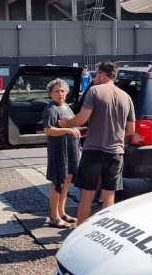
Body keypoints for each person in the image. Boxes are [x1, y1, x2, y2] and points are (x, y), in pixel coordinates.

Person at [60, 62, 135, 224]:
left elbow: (82, 119)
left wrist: (67, 123)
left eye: (96, 75)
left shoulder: (95, 91)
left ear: (103, 75)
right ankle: (102, 231)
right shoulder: (126, 97)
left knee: (87, 193)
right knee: (109, 194)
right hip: (116, 152)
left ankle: (80, 231)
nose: (94, 79)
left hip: (94, 151)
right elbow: (130, 129)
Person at [43, 79, 82, 228]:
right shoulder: (51, 109)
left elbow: (73, 126)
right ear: (51, 94)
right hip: (59, 150)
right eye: (57, 91)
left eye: (63, 90)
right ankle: (54, 216)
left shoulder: (67, 107)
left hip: (70, 149)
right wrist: (67, 130)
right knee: (58, 181)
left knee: (66, 182)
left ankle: (62, 212)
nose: (60, 94)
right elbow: (48, 130)